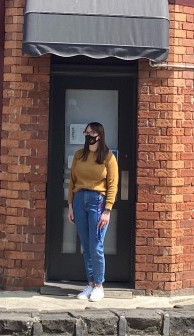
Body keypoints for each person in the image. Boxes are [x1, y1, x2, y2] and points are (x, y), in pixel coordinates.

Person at [67, 121, 118, 302]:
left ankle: (99, 285)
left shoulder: (108, 157)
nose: (89, 135)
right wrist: (71, 205)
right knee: (86, 245)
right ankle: (89, 283)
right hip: (80, 199)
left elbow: (112, 185)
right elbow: (72, 181)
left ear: (99, 135)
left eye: (92, 133)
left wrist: (107, 210)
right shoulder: (79, 155)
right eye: (86, 132)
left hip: (98, 200)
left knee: (96, 245)